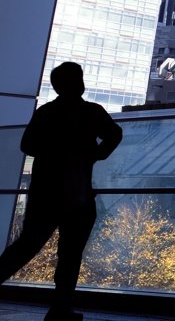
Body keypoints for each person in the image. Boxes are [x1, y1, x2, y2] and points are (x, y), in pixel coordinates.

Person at [0, 62, 122, 321]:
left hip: (45, 193)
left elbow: (27, 144)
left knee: (27, 245)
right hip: (78, 193)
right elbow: (115, 134)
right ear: (76, 83)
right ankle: (60, 308)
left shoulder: (46, 112)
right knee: (70, 254)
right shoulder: (92, 112)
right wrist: (95, 154)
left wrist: (57, 151)